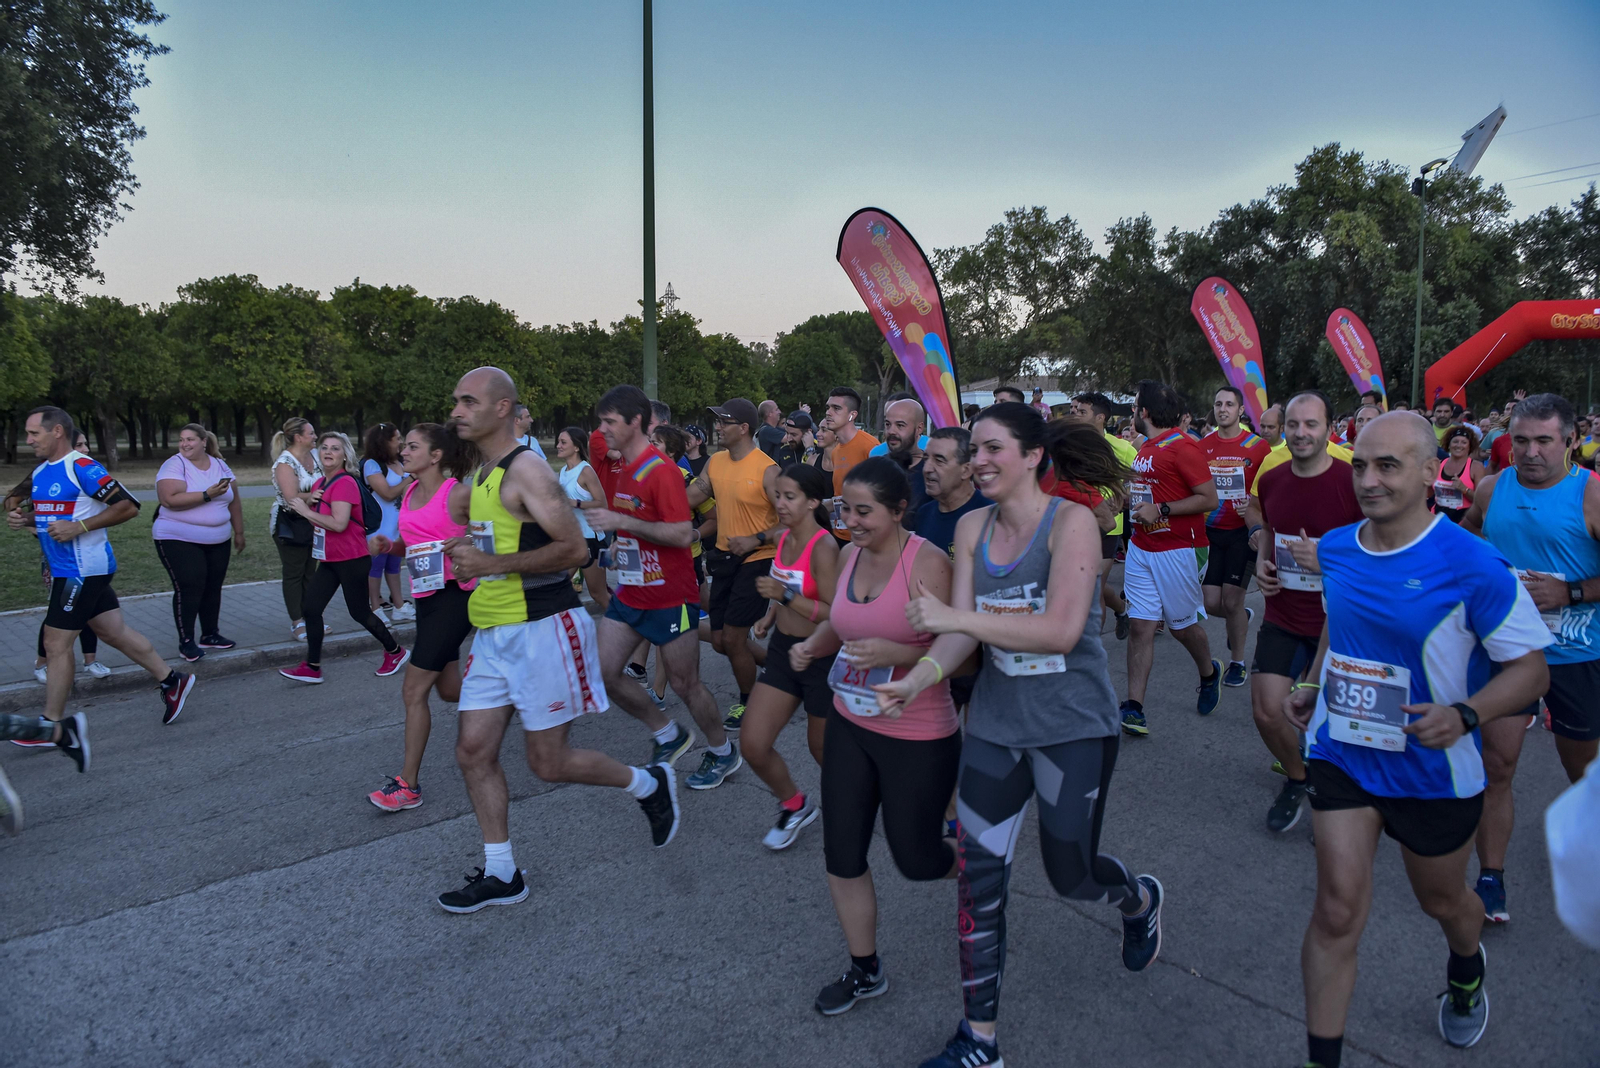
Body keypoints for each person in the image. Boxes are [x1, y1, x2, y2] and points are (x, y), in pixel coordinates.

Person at [877, 407, 1164, 1068]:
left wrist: (958, 618)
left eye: (992, 449)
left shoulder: (1072, 525)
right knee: (978, 881)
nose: (978, 461)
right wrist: (919, 677)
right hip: (997, 727)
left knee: (1072, 876)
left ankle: (1139, 898)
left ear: (1033, 456)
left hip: (1072, 728)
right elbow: (958, 634)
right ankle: (980, 1041)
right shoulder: (972, 528)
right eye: (973, 450)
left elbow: (1060, 632)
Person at [1283, 412, 1551, 1065]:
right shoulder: (1339, 547)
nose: (1368, 481)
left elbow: (1531, 670)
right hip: (1344, 753)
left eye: (1388, 466)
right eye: (1359, 466)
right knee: (1336, 910)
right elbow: (1341, 620)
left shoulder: (1472, 563)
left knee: (1443, 900)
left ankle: (1466, 964)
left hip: (1432, 769)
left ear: (1432, 472)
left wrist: (1464, 714)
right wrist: (1314, 682)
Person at [435, 368, 680, 913]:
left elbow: (574, 549)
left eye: (468, 401)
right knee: (473, 752)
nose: (456, 411)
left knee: (547, 762)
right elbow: (505, 540)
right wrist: (469, 549)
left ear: (502, 408)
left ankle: (647, 784)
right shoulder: (483, 473)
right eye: (456, 401)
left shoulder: (528, 469)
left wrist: (490, 563)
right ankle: (502, 873)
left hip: (542, 628)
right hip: (493, 633)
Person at [787, 457, 960, 1016]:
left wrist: (897, 654)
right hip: (852, 722)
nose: (851, 521)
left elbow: (962, 650)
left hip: (917, 733)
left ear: (899, 510)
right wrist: (813, 643)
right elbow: (843, 623)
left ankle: (979, 861)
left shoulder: (928, 564)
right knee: (842, 852)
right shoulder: (849, 555)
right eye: (845, 509)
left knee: (917, 859)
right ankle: (865, 969)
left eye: (864, 512)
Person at [1461, 393, 1600, 924]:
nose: (1531, 452)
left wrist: (1571, 593)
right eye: (1521, 440)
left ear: (1570, 441)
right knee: (1496, 766)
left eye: (1544, 440)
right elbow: (1468, 535)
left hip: (1576, 653)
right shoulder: (1493, 488)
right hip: (1508, 650)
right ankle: (1491, 878)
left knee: (1582, 772)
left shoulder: (1590, 494)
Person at [586, 385, 738, 789]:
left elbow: (680, 534)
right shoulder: (624, 469)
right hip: (632, 591)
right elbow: (635, 523)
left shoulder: (662, 471)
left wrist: (623, 523)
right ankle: (668, 733)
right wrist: (617, 546)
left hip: (671, 596)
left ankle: (723, 750)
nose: (602, 430)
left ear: (635, 421)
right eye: (601, 422)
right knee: (603, 672)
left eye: (610, 422)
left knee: (686, 684)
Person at [6, 406, 196, 729]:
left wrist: (79, 527)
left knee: (56, 643)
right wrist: (24, 519)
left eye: (34, 433)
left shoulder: (82, 466)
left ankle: (51, 724)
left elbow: (128, 506)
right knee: (112, 631)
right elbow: (54, 512)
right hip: (72, 569)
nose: (28, 440)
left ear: (57, 432)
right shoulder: (41, 473)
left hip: (81, 570)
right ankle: (172, 680)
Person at [1244, 392, 1362, 833]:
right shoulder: (1273, 477)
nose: (1300, 433)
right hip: (1284, 613)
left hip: (1340, 621)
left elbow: (1377, 548)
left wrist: (1327, 557)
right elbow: (1269, 527)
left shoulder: (1352, 480)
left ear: (1330, 429)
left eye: (1311, 424)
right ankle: (1298, 777)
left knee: (1340, 721)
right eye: (1293, 424)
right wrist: (1262, 561)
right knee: (1266, 711)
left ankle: (1342, 799)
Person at [367, 423, 478, 813]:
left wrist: (468, 541)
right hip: (426, 599)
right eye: (405, 446)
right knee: (448, 690)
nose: (404, 451)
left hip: (455, 599)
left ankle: (408, 785)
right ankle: (514, 696)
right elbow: (413, 546)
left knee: (413, 691)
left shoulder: (458, 494)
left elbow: (497, 533)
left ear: (436, 456)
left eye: (413, 447)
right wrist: (390, 546)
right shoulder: (410, 491)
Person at [742, 463, 841, 849]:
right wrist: (770, 616)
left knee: (824, 751)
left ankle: (856, 803)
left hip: (821, 656)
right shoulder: (783, 537)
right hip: (784, 650)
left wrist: (784, 597)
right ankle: (795, 806)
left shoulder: (825, 547)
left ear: (813, 501)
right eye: (777, 495)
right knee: (753, 744)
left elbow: (835, 614)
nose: (780, 503)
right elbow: (784, 582)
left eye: (789, 497)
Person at [1120, 382, 1221, 735]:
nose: (1133, 411)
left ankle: (1209, 673)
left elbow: (1209, 499)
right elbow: (1148, 489)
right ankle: (1134, 708)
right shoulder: (1145, 446)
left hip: (1179, 549)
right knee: (1140, 625)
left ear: (1144, 411)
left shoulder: (1184, 446)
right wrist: (1128, 497)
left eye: (1135, 406)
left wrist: (1161, 509)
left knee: (1181, 627)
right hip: (1141, 547)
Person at [277, 432, 409, 683]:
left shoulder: (345, 483)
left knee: (359, 612)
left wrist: (306, 511)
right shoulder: (320, 483)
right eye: (324, 447)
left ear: (345, 456)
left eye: (335, 448)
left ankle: (396, 652)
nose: (328, 451)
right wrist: (312, 504)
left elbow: (339, 524)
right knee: (310, 609)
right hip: (329, 559)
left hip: (351, 559)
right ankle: (312, 667)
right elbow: (321, 521)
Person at [691, 398, 780, 736]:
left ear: (743, 428)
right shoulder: (715, 463)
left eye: (723, 422)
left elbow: (792, 521)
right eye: (717, 422)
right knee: (720, 641)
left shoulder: (768, 470)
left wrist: (757, 538)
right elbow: (692, 497)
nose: (717, 428)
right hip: (724, 559)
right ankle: (783, 669)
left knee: (733, 638)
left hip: (757, 559)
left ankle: (750, 701)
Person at [5, 430, 108, 686]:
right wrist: (28, 524)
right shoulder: (44, 472)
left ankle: (90, 660)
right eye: (80, 444)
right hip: (60, 561)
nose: (85, 449)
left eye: (86, 444)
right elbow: (11, 500)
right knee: (60, 613)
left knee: (91, 611)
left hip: (90, 558)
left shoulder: (86, 469)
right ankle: (43, 663)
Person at [1199, 386, 1271, 686]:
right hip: (1211, 532)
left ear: (1241, 410)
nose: (1223, 409)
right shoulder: (1203, 445)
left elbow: (1269, 489)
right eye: (1218, 404)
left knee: (1231, 600)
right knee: (1209, 602)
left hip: (1242, 533)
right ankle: (1240, 616)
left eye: (1229, 404)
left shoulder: (1258, 446)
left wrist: (1254, 509)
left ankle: (1238, 662)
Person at [152, 424, 243, 662]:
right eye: (182, 439)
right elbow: (169, 499)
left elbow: (234, 499)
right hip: (177, 537)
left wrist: (239, 532)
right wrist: (206, 495)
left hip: (219, 539)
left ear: (204, 441)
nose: (185, 444)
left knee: (213, 586)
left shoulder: (220, 464)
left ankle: (210, 634)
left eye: (190, 439)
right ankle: (186, 642)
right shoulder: (174, 465)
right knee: (190, 586)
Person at [1070, 393, 1138, 638]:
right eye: (1075, 410)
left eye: (1082, 412)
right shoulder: (1068, 445)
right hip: (1073, 525)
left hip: (1108, 526)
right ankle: (1121, 608)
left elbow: (1141, 481)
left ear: (1100, 418)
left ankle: (1092, 647)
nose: (1075, 415)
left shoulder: (1122, 447)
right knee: (1081, 585)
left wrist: (1123, 495)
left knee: (1093, 587)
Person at [270, 417, 323, 642]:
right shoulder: (285, 463)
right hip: (291, 525)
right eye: (311, 433)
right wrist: (315, 495)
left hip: (314, 522)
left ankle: (311, 618)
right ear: (299, 437)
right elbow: (291, 498)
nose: (315, 437)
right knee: (294, 573)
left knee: (311, 572)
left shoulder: (315, 456)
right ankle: (297, 622)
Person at [554, 426, 610, 613]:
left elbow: (602, 503)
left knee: (598, 594)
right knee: (556, 587)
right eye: (558, 441)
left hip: (591, 540)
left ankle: (627, 623)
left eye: (563, 442)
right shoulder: (563, 471)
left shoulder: (585, 471)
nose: (558, 446)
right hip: (572, 539)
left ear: (577, 447)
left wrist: (575, 503)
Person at [362, 423, 413, 623]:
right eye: (396, 438)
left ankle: (399, 606)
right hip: (379, 526)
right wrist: (410, 479)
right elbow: (387, 493)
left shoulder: (400, 461)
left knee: (394, 566)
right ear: (384, 442)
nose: (400, 442)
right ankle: (375, 608)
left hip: (397, 526)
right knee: (375, 567)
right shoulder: (372, 465)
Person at [823, 387, 879, 542]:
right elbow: (839, 496)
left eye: (836, 408)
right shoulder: (835, 452)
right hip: (839, 534)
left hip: (864, 537)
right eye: (828, 407)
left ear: (852, 415)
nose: (828, 412)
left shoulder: (870, 446)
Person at [877, 397, 928, 520]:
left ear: (919, 428)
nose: (891, 431)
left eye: (900, 425)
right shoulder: (876, 468)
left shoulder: (931, 469)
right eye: (888, 424)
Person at [1432, 425, 1482, 522]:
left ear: (1470, 446)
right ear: (1449, 444)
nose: (1459, 445)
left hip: (1464, 520)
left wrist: (1464, 489)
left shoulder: (1476, 467)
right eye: (1455, 441)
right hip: (1438, 518)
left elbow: (1482, 500)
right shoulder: (1439, 464)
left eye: (1464, 442)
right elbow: (1428, 493)